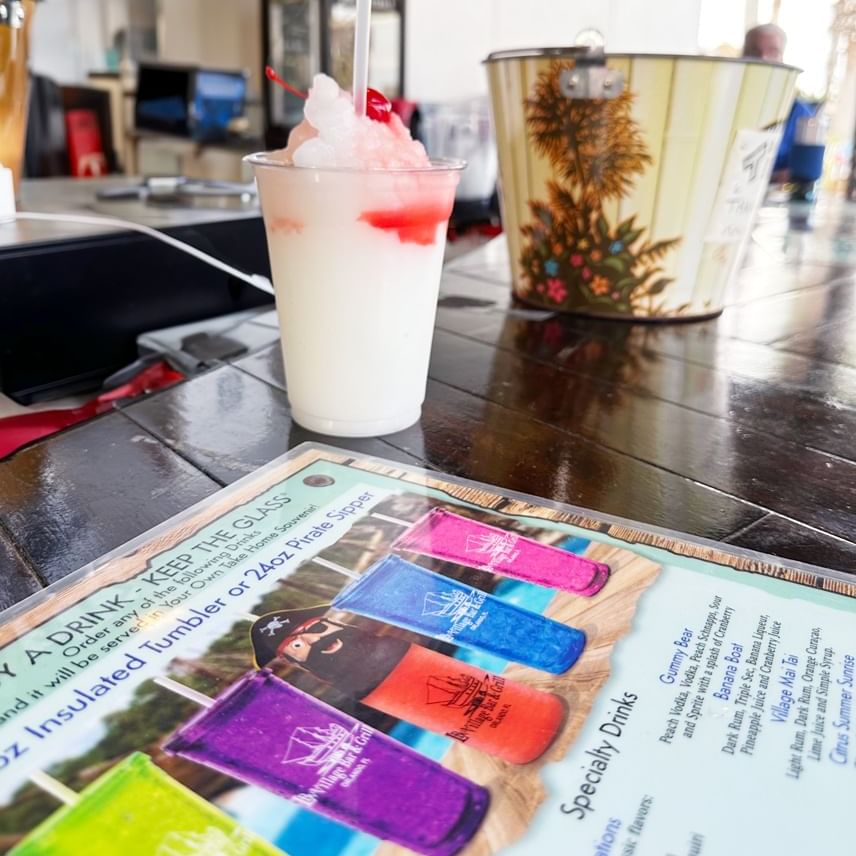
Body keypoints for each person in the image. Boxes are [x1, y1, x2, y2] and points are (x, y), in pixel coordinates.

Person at [742, 23, 815, 179]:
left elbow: (803, 174)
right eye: (754, 51)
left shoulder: (801, 114)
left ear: (782, 57)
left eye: (772, 52)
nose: (763, 58)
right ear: (742, 55)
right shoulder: (724, 106)